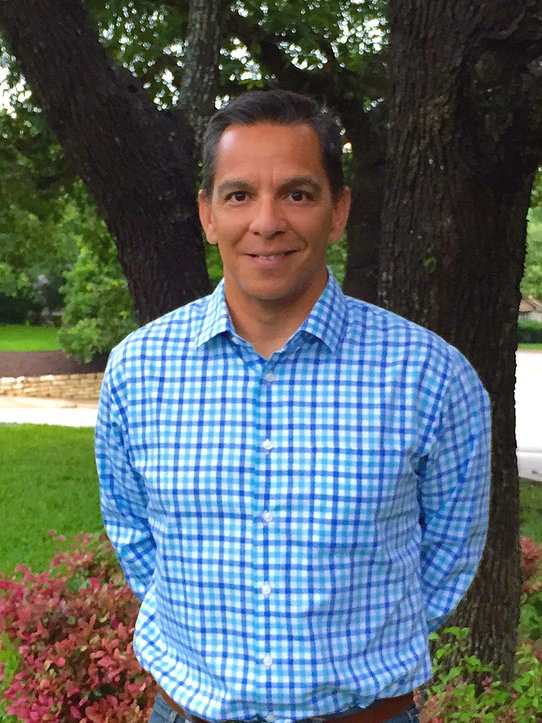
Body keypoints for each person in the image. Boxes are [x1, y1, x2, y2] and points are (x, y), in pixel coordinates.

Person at [95, 89, 491, 723]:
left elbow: (450, 551)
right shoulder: (137, 371)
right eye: (239, 195)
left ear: (339, 211)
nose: (267, 221)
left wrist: (360, 649)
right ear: (207, 215)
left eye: (298, 194)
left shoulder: (432, 376)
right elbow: (134, 533)